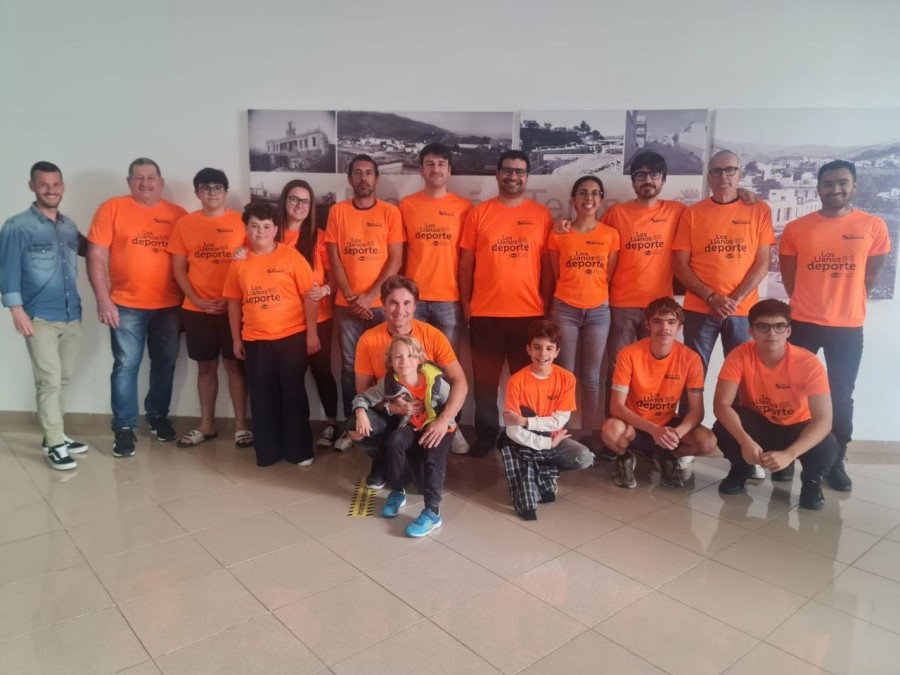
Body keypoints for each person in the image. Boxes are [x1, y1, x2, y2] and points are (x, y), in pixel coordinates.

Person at [779, 160, 891, 493]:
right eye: (827, 184)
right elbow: (789, 278)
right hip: (802, 322)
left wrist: (846, 300)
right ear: (818, 188)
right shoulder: (797, 228)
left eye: (842, 183)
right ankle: (788, 457)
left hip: (847, 326)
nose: (835, 189)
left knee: (841, 395)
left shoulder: (873, 226)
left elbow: (871, 275)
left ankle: (834, 459)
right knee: (792, 392)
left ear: (854, 185)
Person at [87, 158, 187, 457]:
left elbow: (189, 261)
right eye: (139, 177)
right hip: (125, 304)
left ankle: (157, 417)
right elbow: (95, 255)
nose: (145, 183)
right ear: (129, 182)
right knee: (125, 366)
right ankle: (124, 428)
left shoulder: (178, 215)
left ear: (161, 182)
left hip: (170, 305)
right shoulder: (112, 208)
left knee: (165, 364)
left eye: (151, 177)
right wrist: (103, 298)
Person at [460, 150, 553, 457]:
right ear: (497, 174)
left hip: (529, 315)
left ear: (527, 177)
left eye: (520, 172)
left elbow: (547, 268)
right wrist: (466, 304)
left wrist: (545, 308)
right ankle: (486, 435)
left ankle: (521, 435)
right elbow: (466, 265)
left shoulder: (542, 216)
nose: (514, 177)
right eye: (508, 171)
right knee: (485, 383)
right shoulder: (479, 214)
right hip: (485, 314)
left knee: (525, 384)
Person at [0, 162, 88, 469]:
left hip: (71, 314)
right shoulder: (17, 226)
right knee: (49, 380)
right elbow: (7, 270)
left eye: (56, 184)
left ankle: (55, 434)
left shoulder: (68, 226)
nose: (51, 190)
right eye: (44, 185)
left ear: (62, 187)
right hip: (39, 317)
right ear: (32, 187)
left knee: (63, 378)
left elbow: (92, 249)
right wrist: (16, 310)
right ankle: (54, 444)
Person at [713, 299, 840, 510]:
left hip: (797, 427)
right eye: (763, 326)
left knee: (827, 445)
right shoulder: (740, 355)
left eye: (779, 326)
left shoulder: (808, 363)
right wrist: (745, 441)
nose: (771, 333)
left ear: (788, 331)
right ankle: (742, 468)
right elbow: (721, 405)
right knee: (723, 427)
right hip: (760, 425)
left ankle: (811, 481)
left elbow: (824, 420)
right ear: (751, 331)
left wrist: (790, 454)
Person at [223, 202, 318, 467]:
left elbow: (309, 297)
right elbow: (233, 302)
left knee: (293, 395)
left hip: (291, 338)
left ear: (276, 229)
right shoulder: (239, 262)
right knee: (262, 397)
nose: (260, 231)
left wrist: (312, 334)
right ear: (246, 229)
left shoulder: (291, 257)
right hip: (255, 340)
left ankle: (299, 451)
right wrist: (236, 339)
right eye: (254, 226)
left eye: (266, 226)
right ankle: (268, 451)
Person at [349, 276, 467, 488]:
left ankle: (414, 458)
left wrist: (444, 420)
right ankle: (381, 462)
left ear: (415, 306)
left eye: (406, 303)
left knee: (422, 482)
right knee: (355, 429)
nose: (400, 310)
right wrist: (391, 406)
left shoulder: (433, 335)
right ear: (383, 305)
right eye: (393, 303)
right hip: (388, 411)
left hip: (425, 416)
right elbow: (362, 390)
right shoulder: (368, 339)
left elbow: (460, 381)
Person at [168, 168, 251, 449]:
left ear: (226, 192)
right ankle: (207, 424)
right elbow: (179, 269)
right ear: (197, 193)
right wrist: (197, 299)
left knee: (234, 366)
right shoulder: (184, 224)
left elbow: (252, 264)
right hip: (197, 308)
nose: (212, 192)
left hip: (233, 308)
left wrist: (232, 299)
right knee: (205, 367)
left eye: (217, 187)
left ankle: (241, 426)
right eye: (205, 187)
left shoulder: (241, 222)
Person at [325, 154, 403, 448]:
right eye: (357, 173)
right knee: (349, 367)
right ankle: (352, 426)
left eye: (369, 173)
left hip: (382, 306)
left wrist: (370, 297)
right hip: (347, 306)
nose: (363, 178)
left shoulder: (390, 213)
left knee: (388, 366)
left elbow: (395, 259)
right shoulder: (338, 211)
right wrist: (350, 296)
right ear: (350, 179)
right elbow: (334, 257)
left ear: (377, 179)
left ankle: (387, 423)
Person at [673, 150, 774, 374]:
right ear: (709, 177)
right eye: (717, 171)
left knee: (743, 376)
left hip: (743, 310)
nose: (723, 176)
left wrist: (734, 300)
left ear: (740, 174)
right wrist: (711, 298)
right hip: (699, 309)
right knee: (693, 377)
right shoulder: (692, 214)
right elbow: (680, 266)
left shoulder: (759, 210)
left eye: (730, 170)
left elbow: (762, 263)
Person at [399, 143, 471, 454]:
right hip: (413, 302)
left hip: (449, 300)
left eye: (441, 164)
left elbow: (467, 260)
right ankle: (415, 424)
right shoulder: (407, 205)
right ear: (421, 169)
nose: (436, 169)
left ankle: (451, 425)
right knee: (413, 366)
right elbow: (400, 254)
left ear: (449, 170)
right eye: (430, 163)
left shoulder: (464, 207)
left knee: (448, 369)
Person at [601, 297, 717, 489]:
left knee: (708, 443)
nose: (665, 328)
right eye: (658, 321)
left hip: (668, 426)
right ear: (648, 324)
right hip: (635, 425)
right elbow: (616, 407)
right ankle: (625, 458)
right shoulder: (629, 354)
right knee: (610, 431)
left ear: (679, 326)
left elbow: (697, 411)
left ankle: (667, 456)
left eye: (671, 322)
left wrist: (675, 434)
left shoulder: (691, 358)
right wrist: (653, 430)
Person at [351, 334, 455, 537]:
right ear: (390, 361)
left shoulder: (436, 381)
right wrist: (360, 412)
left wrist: (442, 425)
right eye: (398, 356)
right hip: (413, 426)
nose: (404, 361)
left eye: (410, 356)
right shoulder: (389, 382)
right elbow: (362, 398)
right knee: (395, 440)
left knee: (433, 456)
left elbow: (453, 405)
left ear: (419, 359)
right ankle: (397, 491)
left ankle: (433, 512)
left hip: (440, 427)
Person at [547, 176, 618, 447]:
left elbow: (608, 276)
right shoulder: (559, 233)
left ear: (601, 200)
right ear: (573, 200)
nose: (589, 198)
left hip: (598, 312)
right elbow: (556, 274)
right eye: (583, 193)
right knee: (565, 374)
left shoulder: (610, 235)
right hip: (565, 309)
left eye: (595, 193)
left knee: (591, 377)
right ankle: (560, 433)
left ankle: (588, 434)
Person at [500, 320, 594, 521]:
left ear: (557, 352)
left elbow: (558, 421)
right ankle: (537, 471)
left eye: (549, 348)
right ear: (528, 349)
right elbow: (512, 429)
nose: (543, 354)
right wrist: (545, 443)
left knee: (584, 457)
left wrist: (525, 421)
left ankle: (546, 471)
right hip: (525, 441)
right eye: (537, 347)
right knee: (527, 494)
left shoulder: (567, 379)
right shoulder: (517, 380)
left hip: (554, 439)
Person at [275, 179, 340, 448]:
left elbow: (335, 277)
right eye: (294, 199)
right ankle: (294, 425)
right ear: (284, 201)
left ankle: (331, 423)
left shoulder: (320, 237)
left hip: (319, 318)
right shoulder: (272, 234)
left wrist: (325, 290)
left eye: (305, 201)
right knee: (290, 374)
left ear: (311, 206)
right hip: (283, 321)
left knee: (322, 371)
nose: (299, 205)